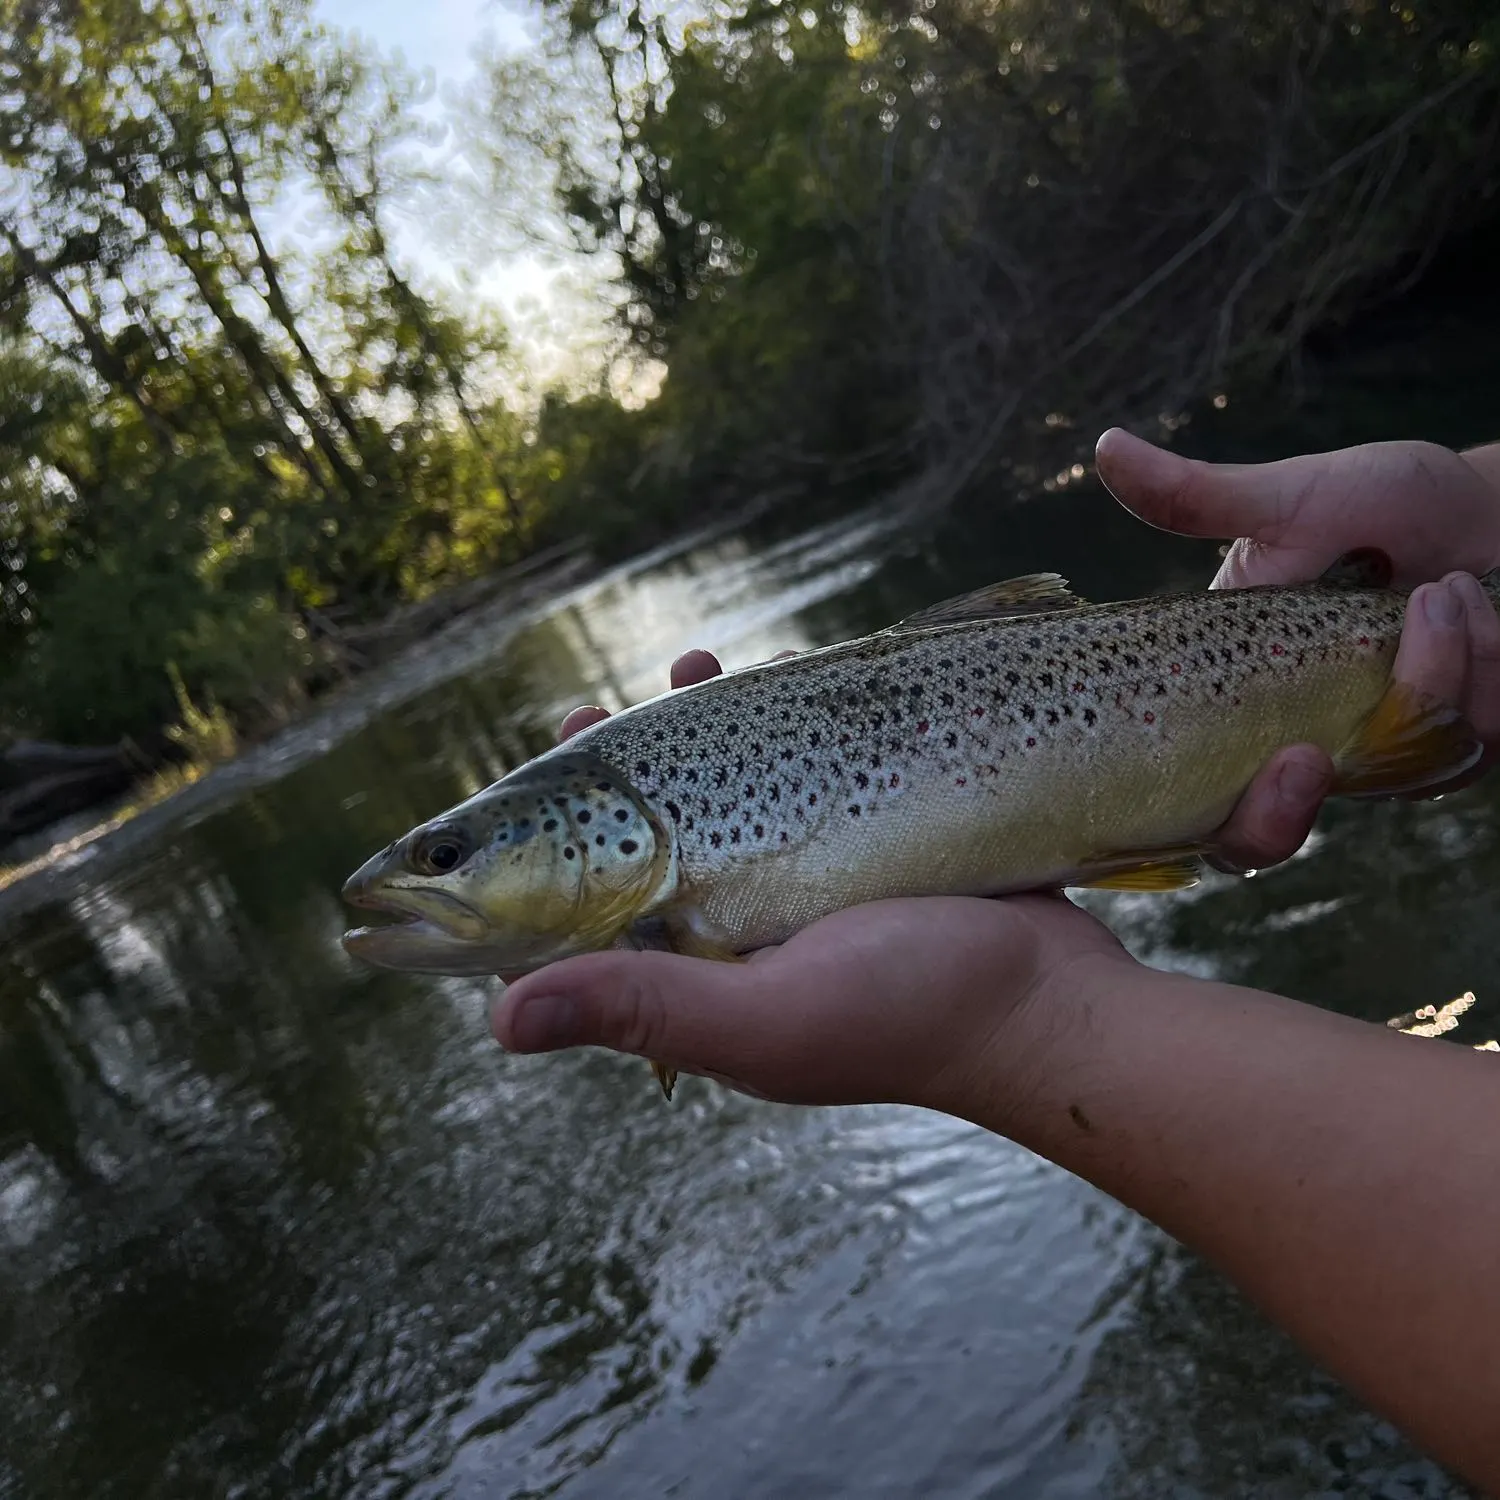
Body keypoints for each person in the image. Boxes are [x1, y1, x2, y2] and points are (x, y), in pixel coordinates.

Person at [493, 429, 1500, 1491]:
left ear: (590, 826)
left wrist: (1015, 1024)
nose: (422, 883)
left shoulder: (665, 895)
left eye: (450, 856)